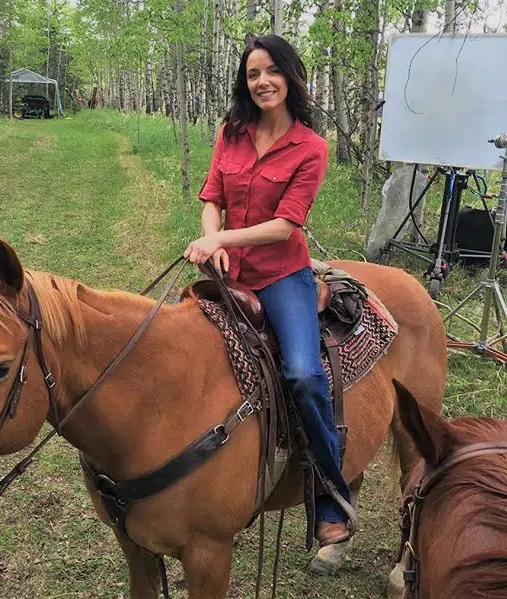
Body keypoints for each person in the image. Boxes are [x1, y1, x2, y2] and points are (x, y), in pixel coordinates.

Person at [183, 35, 353, 547]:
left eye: (272, 71)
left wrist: (218, 238)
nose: (262, 81)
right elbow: (212, 197)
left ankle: (331, 495)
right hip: (228, 273)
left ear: (291, 76)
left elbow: (285, 226)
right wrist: (212, 237)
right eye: (253, 73)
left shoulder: (312, 147)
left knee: (302, 373)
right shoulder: (230, 133)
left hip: (282, 276)